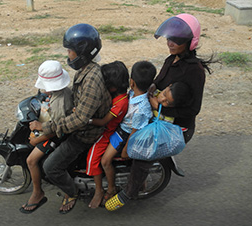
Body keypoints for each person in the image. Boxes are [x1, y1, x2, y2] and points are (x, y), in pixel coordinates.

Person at [105, 13, 214, 211]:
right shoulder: (172, 59)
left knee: (142, 150)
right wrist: (147, 89)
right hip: (159, 115)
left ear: (190, 42)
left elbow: (193, 109)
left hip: (176, 125)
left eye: (176, 40)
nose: (170, 43)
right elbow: (159, 82)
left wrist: (158, 106)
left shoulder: (194, 71)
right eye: (169, 39)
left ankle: (128, 192)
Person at [29, 23, 112, 214]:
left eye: (70, 50)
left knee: (51, 167)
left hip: (85, 133)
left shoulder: (92, 80)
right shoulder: (86, 69)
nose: (68, 54)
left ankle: (72, 192)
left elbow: (80, 120)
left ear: (82, 52)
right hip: (80, 123)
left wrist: (46, 127)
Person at [99, 61, 156, 208]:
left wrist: (126, 149)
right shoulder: (134, 94)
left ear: (132, 82)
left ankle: (111, 188)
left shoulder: (141, 108)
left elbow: (134, 132)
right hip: (124, 129)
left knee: (105, 161)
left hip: (125, 133)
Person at [19, 60, 74, 214]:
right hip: (54, 128)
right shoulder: (63, 91)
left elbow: (56, 130)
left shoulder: (58, 104)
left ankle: (37, 193)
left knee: (31, 160)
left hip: (56, 136)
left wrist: (37, 139)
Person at [85, 61, 130, 209]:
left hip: (107, 132)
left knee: (93, 159)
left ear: (112, 87)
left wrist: (87, 119)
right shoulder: (122, 96)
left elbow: (104, 121)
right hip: (108, 128)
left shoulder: (120, 104)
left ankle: (103, 189)